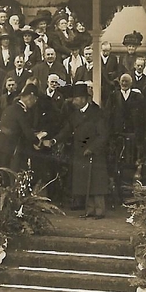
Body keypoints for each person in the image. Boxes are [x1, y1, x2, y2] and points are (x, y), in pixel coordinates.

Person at [56, 82, 110, 218]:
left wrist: (92, 148)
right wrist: (54, 140)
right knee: (85, 181)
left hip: (95, 153)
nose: (73, 102)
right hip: (80, 152)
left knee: (96, 182)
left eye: (76, 99)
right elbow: (66, 130)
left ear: (84, 99)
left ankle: (100, 210)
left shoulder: (97, 113)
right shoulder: (75, 114)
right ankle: (90, 210)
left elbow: (103, 135)